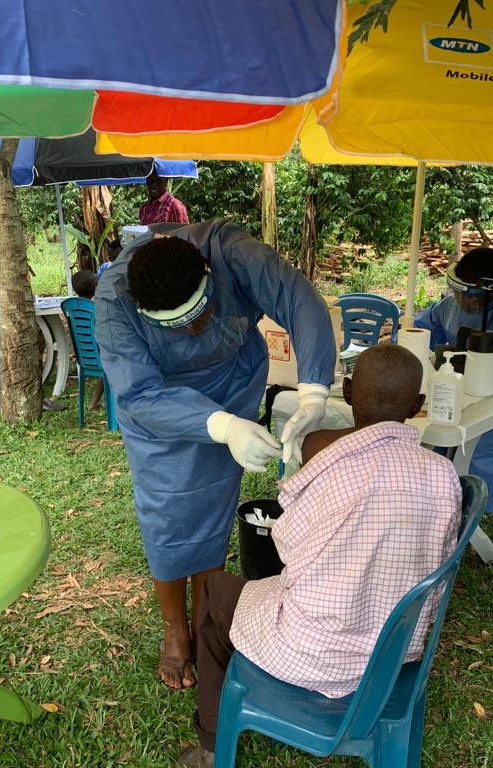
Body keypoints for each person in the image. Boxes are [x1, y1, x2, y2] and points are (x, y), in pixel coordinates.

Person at [180, 344, 463, 768]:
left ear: (347, 392)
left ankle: (211, 743)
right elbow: (436, 564)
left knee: (216, 591)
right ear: (418, 406)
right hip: (396, 655)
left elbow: (286, 545)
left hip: (313, 653)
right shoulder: (443, 476)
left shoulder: (330, 466)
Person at [94, 220, 336, 692]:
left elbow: (300, 301)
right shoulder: (113, 303)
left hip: (232, 384)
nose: (195, 329)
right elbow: (139, 393)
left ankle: (206, 621)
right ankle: (174, 627)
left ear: (208, 274)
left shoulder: (232, 253)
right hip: (160, 410)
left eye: (201, 313)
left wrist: (313, 394)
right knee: (166, 513)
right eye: (179, 326)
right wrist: (220, 427)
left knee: (214, 507)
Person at [414, 245, 493, 531]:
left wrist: (470, 354)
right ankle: (435, 505)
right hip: (456, 394)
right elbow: (420, 329)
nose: (461, 300)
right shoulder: (449, 306)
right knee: (426, 434)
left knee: (475, 445)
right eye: (457, 291)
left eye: (469, 295)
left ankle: (473, 511)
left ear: (491, 291)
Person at [71, 269, 105, 411]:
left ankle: (94, 403)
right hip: (102, 356)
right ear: (97, 288)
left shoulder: (73, 307)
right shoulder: (98, 307)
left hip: (85, 357)